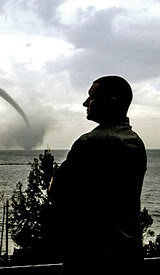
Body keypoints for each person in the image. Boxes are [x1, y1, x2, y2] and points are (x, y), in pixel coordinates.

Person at [49, 76, 147, 274]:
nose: (85, 103)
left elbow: (57, 193)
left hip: (92, 260)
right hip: (129, 257)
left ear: (112, 101)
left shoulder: (90, 143)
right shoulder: (136, 143)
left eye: (91, 97)